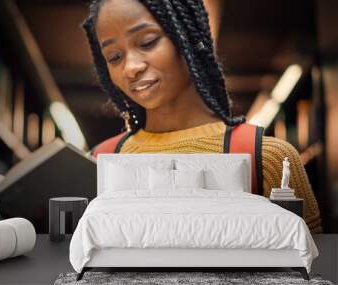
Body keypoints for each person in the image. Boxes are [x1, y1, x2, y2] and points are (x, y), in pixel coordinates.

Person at [81, 0, 322, 233]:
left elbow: (309, 263)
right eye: (114, 57)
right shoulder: (98, 162)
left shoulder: (269, 158)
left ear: (188, 37)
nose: (130, 67)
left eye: (148, 42)